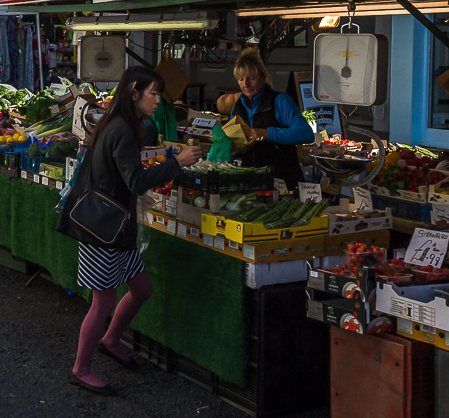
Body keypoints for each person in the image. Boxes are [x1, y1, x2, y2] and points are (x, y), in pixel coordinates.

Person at [57, 65, 202, 396]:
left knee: (141, 290)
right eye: (153, 93)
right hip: (102, 228)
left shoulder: (122, 123)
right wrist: (177, 163)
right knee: (103, 300)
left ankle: (110, 339)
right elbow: (135, 181)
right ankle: (80, 368)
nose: (157, 100)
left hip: (117, 227)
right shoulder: (122, 128)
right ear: (134, 92)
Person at [228, 48, 315, 189]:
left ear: (262, 76)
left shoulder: (280, 101)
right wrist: (232, 149)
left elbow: (306, 134)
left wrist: (267, 133)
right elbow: (235, 146)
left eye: (251, 78)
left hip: (284, 180)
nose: (246, 84)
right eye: (241, 79)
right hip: (251, 180)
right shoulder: (237, 108)